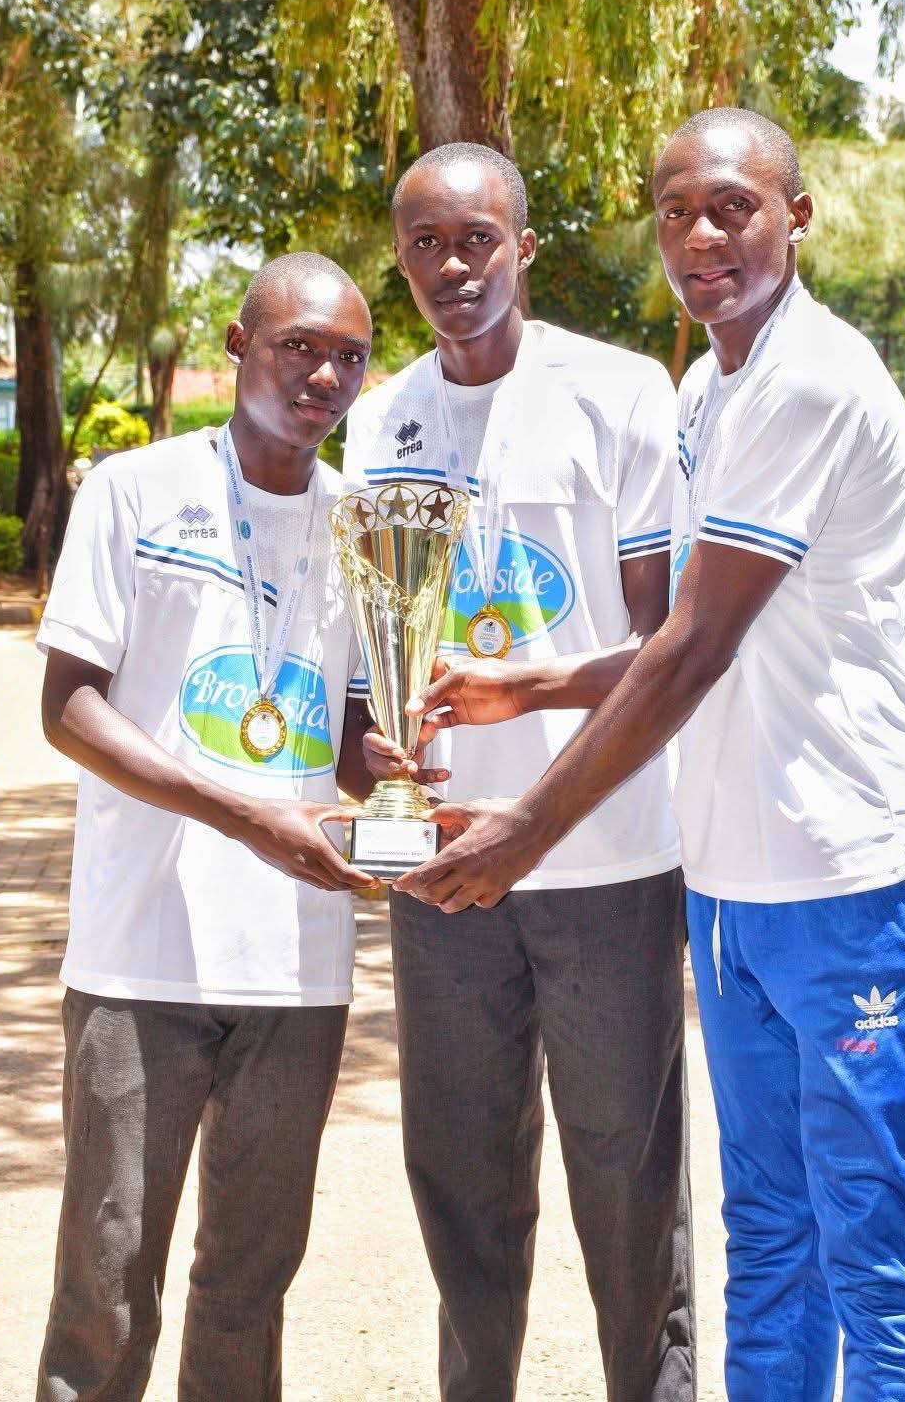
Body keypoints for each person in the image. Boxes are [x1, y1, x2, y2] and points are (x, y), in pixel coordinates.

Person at [398, 110, 905, 1401]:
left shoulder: (813, 376)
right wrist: (529, 684)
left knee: (877, 1257)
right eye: (675, 212)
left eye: (733, 209)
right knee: (768, 1239)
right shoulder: (710, 388)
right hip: (734, 886)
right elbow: (697, 638)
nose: (700, 238)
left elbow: (695, 646)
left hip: (858, 878)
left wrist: (525, 828)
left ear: (797, 217)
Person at [344, 142, 694, 1402]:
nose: (453, 266)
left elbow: (667, 646)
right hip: (443, 872)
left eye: (477, 238)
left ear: (524, 246)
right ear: (401, 259)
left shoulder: (619, 395)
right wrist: (372, 756)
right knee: (463, 1180)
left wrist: (526, 690)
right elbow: (365, 655)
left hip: (603, 856)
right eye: (426, 244)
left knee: (625, 1183)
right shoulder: (383, 419)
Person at [35, 252, 379, 1401]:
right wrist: (238, 812)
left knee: (250, 1277)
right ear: (238, 346)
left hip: (296, 967)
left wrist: (383, 769)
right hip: (142, 956)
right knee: (108, 1272)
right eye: (298, 346)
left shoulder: (364, 529)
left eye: (347, 357)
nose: (323, 373)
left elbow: (349, 746)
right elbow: (69, 707)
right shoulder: (132, 491)